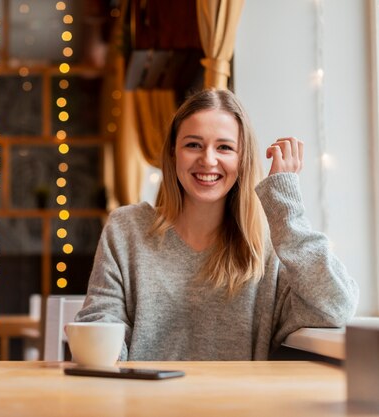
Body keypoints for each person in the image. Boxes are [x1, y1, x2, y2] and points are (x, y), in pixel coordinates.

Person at [75, 89, 359, 361]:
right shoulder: (127, 228)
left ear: (242, 159)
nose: (208, 160)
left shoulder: (267, 250)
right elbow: (100, 322)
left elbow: (337, 305)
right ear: (173, 154)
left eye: (224, 147)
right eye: (193, 145)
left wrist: (286, 208)